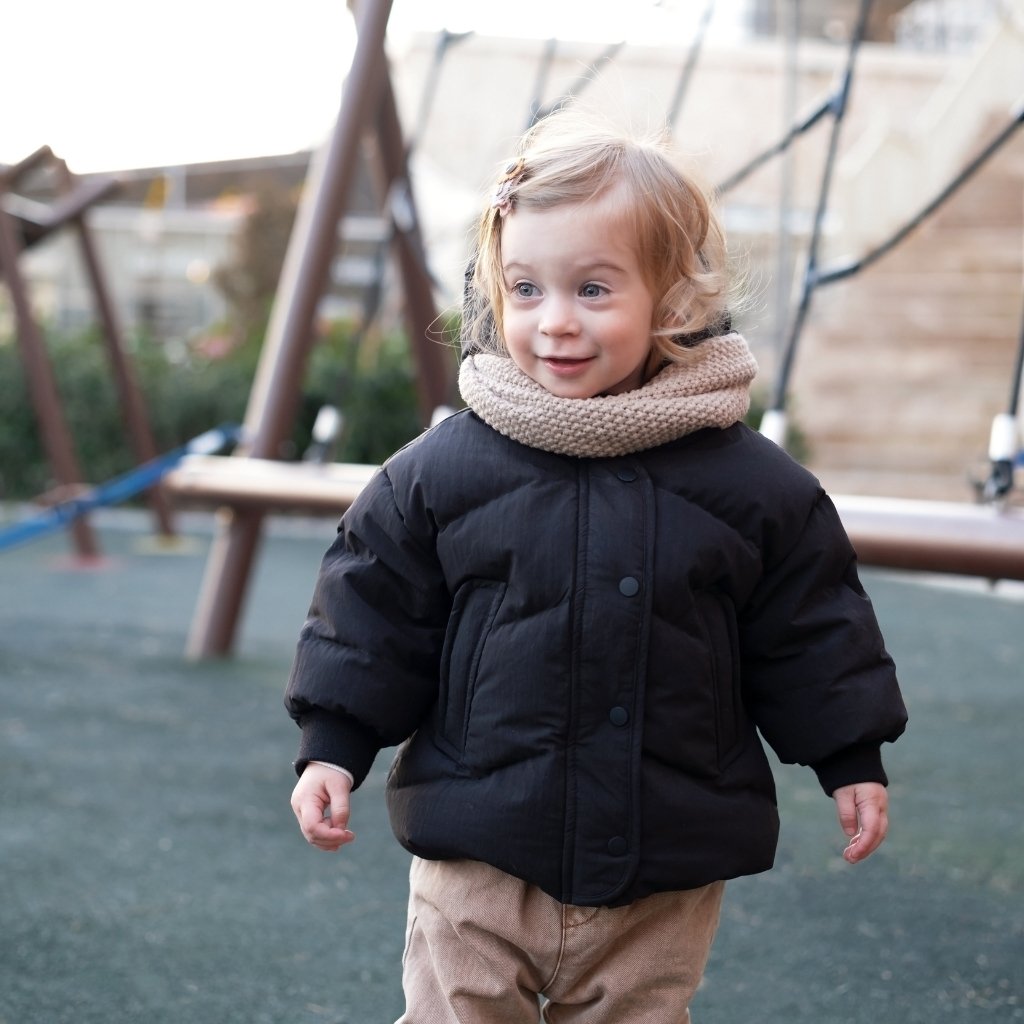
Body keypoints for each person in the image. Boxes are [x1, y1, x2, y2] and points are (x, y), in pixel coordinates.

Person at [285, 110, 908, 1023]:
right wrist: (334, 746)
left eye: (593, 288)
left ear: (675, 302)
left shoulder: (753, 488)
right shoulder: (442, 474)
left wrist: (849, 754)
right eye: (525, 289)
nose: (555, 321)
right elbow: (371, 615)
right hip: (480, 844)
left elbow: (810, 628)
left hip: (664, 859)